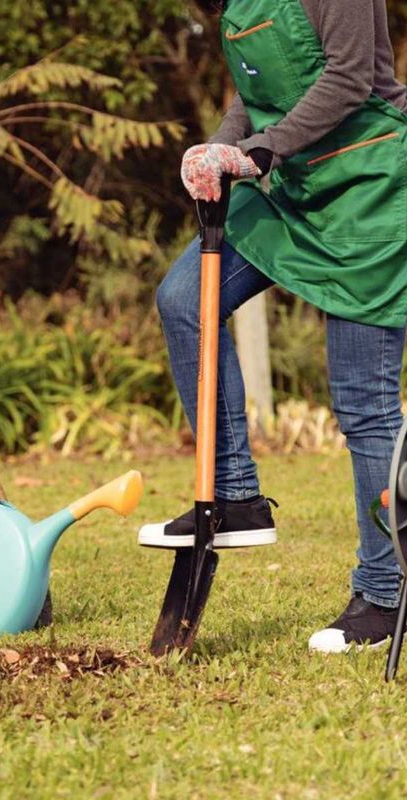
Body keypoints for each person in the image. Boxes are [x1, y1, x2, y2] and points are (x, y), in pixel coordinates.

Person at [138, 0, 407, 653]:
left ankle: (386, 595)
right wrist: (219, 149)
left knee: (364, 405)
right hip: (291, 189)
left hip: (364, 190)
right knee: (182, 300)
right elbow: (253, 95)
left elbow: (346, 80)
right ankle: (233, 495)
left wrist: (259, 151)